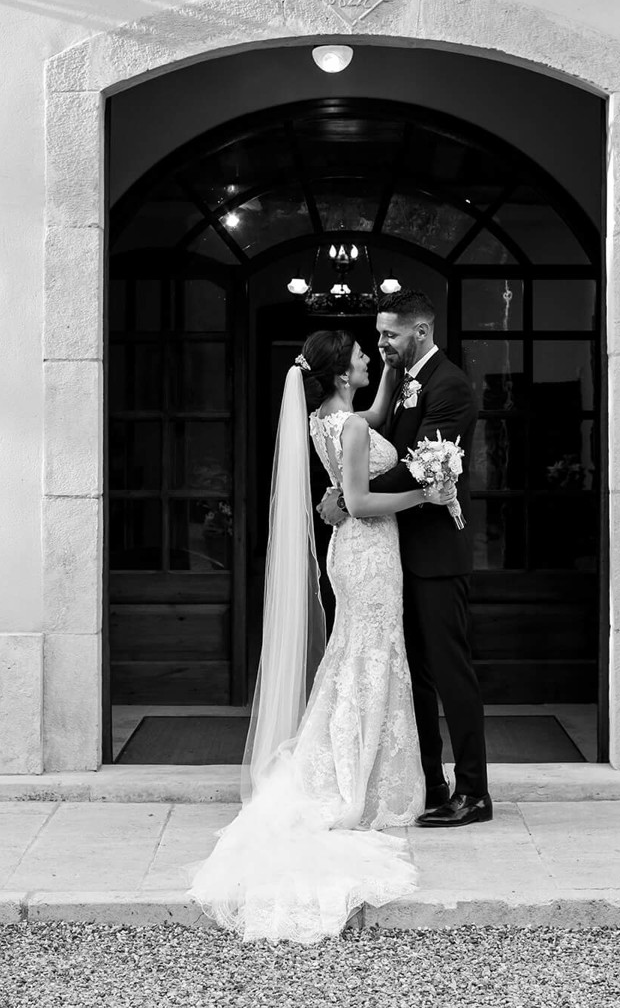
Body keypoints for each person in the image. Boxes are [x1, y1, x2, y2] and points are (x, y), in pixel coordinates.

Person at [187, 329, 455, 944]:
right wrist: (428, 494)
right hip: (369, 551)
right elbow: (359, 499)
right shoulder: (352, 428)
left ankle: (353, 766)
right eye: (362, 354)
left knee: (356, 655)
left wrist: (389, 369)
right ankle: (359, 780)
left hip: (348, 553)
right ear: (342, 375)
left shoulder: (323, 421)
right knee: (370, 655)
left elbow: (372, 422)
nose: (368, 357)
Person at [321, 289, 491, 828]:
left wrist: (350, 497)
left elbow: (420, 467)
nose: (380, 343)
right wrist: (349, 490)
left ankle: (474, 792)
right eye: (378, 335)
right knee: (411, 675)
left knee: (449, 671)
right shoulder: (398, 384)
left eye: (389, 335)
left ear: (420, 331)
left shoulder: (450, 387)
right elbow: (374, 440)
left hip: (435, 554)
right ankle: (431, 783)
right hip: (392, 556)